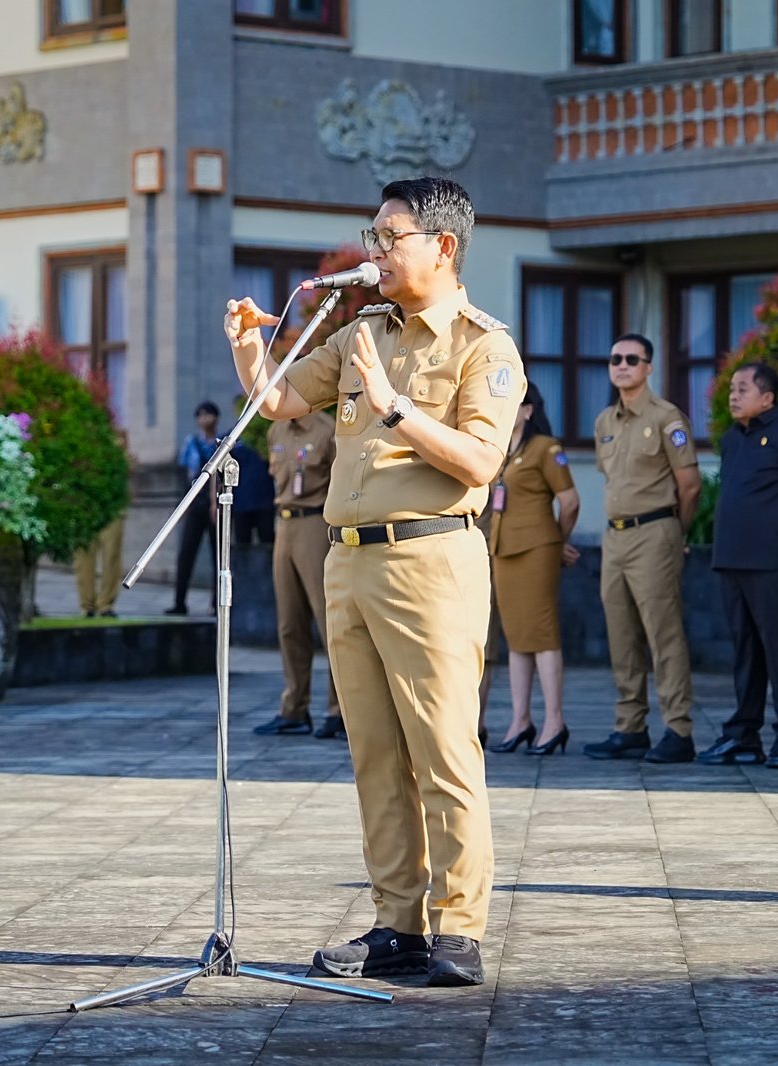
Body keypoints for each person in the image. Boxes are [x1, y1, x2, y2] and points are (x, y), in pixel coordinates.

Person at [223, 175, 523, 988]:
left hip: (431, 560)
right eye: (373, 235)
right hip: (346, 558)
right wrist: (249, 345)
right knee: (374, 754)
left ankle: (457, 930)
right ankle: (399, 922)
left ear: (443, 246)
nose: (374, 251)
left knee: (443, 752)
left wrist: (394, 409)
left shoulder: (481, 346)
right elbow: (281, 400)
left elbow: (480, 462)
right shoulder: (364, 328)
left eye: (390, 237)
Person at [698, 363, 778, 770]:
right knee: (746, 652)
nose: (733, 395)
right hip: (733, 561)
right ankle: (743, 735)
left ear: (767, 397)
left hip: (774, 562)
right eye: (731, 389)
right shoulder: (733, 439)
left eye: (742, 389)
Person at [583, 333, 702, 764]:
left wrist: (674, 532)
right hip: (615, 537)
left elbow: (690, 486)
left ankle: (678, 729)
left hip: (655, 533)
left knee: (663, 633)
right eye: (615, 358)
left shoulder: (668, 418)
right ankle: (630, 726)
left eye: (632, 359)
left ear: (648, 367)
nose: (622, 365)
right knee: (621, 633)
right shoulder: (604, 422)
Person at [485, 381, 580, 756]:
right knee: (516, 636)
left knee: (541, 632)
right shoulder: (500, 452)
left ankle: (554, 721)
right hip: (503, 548)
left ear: (528, 410)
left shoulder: (546, 448)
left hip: (537, 548)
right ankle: (520, 720)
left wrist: (557, 540)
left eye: (515, 403)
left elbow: (570, 501)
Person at [252, 409, 343, 739]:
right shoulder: (276, 430)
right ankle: (294, 708)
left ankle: (339, 710)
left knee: (327, 619)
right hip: (285, 523)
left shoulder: (328, 430)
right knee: (289, 623)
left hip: (316, 524)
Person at [167, 401, 221, 616]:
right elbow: (184, 473)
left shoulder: (220, 443)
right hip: (195, 504)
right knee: (186, 553)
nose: (205, 419)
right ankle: (179, 602)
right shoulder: (191, 443)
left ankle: (217, 604)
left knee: (218, 555)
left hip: (216, 505)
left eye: (208, 415)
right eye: (201, 415)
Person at [74, 511, 126, 619]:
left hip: (113, 505)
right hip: (83, 506)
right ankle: (87, 606)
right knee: (83, 556)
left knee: (112, 556)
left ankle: (105, 605)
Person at [230, 438, 277, 547]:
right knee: (242, 545)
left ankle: (267, 564)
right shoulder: (232, 437)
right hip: (241, 503)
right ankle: (243, 565)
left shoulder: (265, 434)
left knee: (268, 544)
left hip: (265, 501)